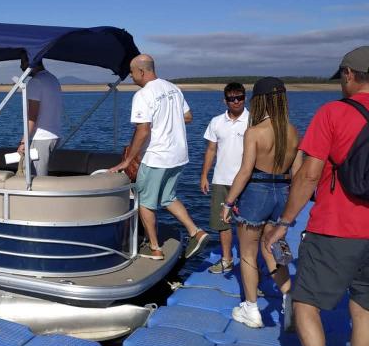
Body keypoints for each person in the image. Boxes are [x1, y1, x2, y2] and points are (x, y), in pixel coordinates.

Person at [267, 47, 369, 346]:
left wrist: (286, 222)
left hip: (336, 228)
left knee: (304, 301)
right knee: (365, 309)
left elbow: (308, 175)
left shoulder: (333, 113)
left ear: (348, 74)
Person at [111, 54, 209, 260]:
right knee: (168, 197)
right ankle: (196, 232)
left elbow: (143, 130)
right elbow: (188, 117)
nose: (130, 75)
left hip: (156, 157)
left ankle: (155, 248)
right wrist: (168, 117)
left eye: (131, 71)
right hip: (178, 156)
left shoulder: (143, 95)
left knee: (145, 202)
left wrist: (128, 160)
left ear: (142, 71)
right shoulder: (173, 88)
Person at [221, 77, 301, 329]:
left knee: (247, 252)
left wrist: (228, 202)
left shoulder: (254, 132)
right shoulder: (293, 132)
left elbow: (245, 171)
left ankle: (252, 309)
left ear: (259, 101)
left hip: (256, 192)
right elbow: (297, 174)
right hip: (283, 193)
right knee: (274, 249)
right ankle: (289, 299)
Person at [201, 83, 249, 273]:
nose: (236, 101)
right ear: (225, 100)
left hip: (247, 181)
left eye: (240, 97)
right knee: (223, 223)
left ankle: (250, 264)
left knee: (249, 224)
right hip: (221, 180)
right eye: (231, 98)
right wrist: (204, 175)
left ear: (245, 98)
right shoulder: (216, 122)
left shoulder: (254, 120)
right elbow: (211, 149)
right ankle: (226, 259)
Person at [17, 55, 63, 176]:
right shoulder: (53, 79)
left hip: (41, 138)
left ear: (31, 62)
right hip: (54, 136)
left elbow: (32, 115)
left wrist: (23, 142)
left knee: (36, 178)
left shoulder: (35, 82)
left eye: (23, 62)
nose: (21, 66)